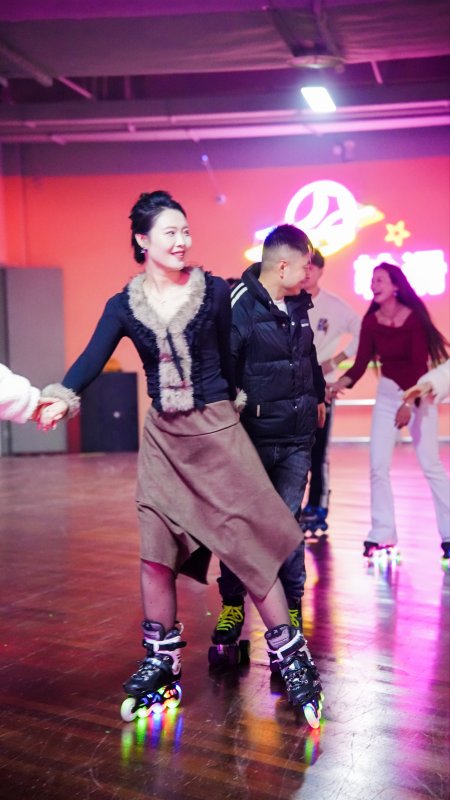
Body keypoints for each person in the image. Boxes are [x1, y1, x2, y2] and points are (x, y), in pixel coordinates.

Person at [37, 191, 322, 721]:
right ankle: (160, 663)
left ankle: (292, 656)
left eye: (185, 231)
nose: (182, 241)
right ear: (142, 240)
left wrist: (242, 407)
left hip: (216, 430)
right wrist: (62, 396)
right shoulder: (123, 305)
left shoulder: (215, 292)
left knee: (249, 547)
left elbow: (231, 359)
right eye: (170, 232)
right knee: (155, 552)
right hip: (164, 441)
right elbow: (92, 357)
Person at [210, 224, 326, 665]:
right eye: (304, 265)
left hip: (296, 439)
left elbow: (308, 355)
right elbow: (223, 370)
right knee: (241, 527)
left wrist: (317, 396)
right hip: (252, 439)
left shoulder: (299, 303)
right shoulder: (238, 304)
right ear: (281, 266)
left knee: (287, 527)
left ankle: (291, 610)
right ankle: (232, 605)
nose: (309, 273)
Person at [328, 262, 449, 561]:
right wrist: (337, 385)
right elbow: (359, 366)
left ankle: (449, 534)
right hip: (387, 394)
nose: (373, 285)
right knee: (378, 466)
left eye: (379, 280)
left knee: (430, 464)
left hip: (419, 391)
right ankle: (382, 534)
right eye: (372, 280)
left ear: (396, 286)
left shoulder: (414, 318)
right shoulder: (371, 321)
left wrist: (408, 403)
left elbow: (418, 366)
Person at [300, 248, 361, 533]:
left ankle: (317, 507)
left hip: (321, 387)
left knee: (318, 451)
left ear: (320, 271)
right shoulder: (287, 301)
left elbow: (363, 333)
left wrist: (336, 360)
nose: (306, 273)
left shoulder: (334, 306)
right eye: (303, 267)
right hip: (291, 387)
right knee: (292, 452)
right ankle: (291, 509)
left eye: (311, 268)